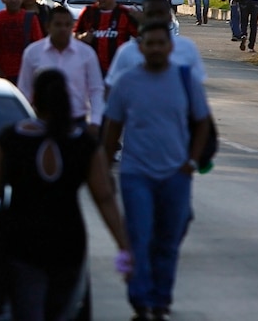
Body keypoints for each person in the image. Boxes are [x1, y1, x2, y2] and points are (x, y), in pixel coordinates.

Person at [0, 69, 131, 320]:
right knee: (61, 312)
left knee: (28, 311)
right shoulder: (83, 143)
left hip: (22, 243)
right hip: (68, 243)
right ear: (67, 98)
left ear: (35, 99)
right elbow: (104, 196)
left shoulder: (11, 138)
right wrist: (124, 247)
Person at [101, 20, 212, 321]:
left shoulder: (185, 79)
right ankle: (140, 299)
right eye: (149, 44)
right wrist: (104, 173)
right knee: (139, 235)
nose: (155, 49)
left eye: (161, 43)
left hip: (176, 174)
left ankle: (160, 300)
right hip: (136, 174)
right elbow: (112, 129)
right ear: (141, 46)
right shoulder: (127, 81)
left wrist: (191, 161)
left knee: (167, 240)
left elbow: (202, 122)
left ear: (170, 46)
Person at [18, 5, 104, 132]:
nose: (63, 29)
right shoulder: (32, 53)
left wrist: (95, 121)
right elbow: (24, 90)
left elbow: (96, 89)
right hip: (42, 123)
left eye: (67, 24)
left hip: (76, 122)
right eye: (58, 24)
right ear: (48, 26)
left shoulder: (86, 53)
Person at [105, 0, 206, 93]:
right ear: (142, 17)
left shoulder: (186, 48)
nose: (156, 19)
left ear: (170, 17)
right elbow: (111, 88)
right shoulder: (127, 51)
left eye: (160, 14)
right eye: (151, 15)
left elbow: (196, 89)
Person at [73, 0, 139, 77]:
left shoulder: (125, 14)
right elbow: (74, 35)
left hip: (117, 72)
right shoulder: (88, 12)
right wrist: (81, 37)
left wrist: (144, 21)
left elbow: (141, 36)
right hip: (91, 71)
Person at [0, 0, 44, 83]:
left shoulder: (31, 18)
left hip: (26, 72)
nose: (13, 0)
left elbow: (38, 46)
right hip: (2, 73)